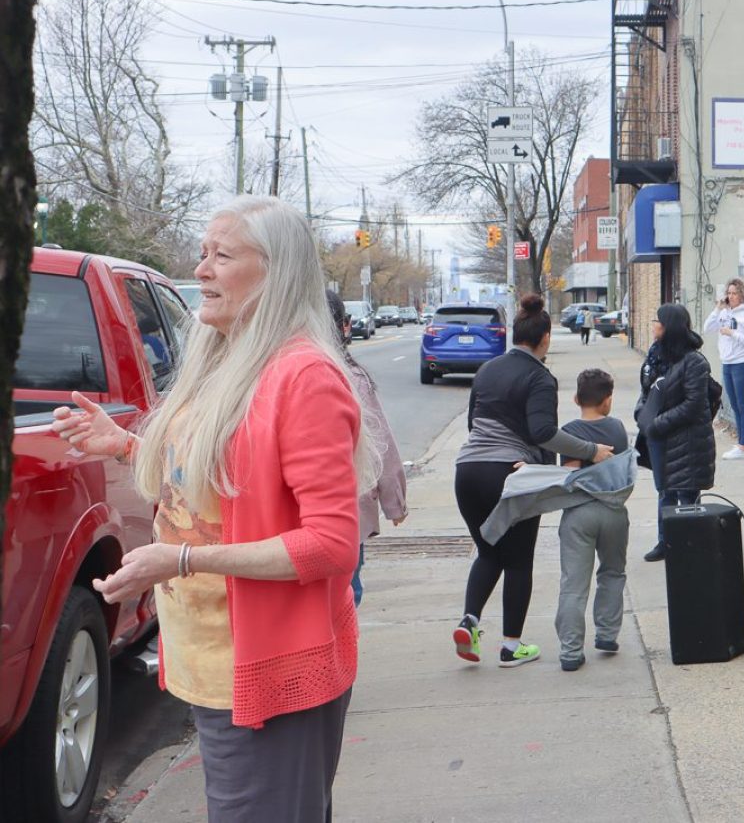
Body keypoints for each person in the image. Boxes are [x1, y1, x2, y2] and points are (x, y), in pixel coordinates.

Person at [50, 195, 380, 822]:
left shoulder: (302, 377)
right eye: (202, 253)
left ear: (275, 272)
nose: (200, 269)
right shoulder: (227, 361)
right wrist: (124, 444)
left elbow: (332, 544)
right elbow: (221, 482)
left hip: (269, 675)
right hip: (215, 666)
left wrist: (178, 560)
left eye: (222, 256)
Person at [453, 294, 615, 667]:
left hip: (467, 472)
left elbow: (472, 425)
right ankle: (511, 646)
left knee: (489, 551)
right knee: (518, 559)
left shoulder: (488, 369)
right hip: (509, 474)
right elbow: (542, 431)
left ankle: (470, 620)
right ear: (545, 339)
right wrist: (591, 451)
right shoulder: (539, 377)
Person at [326, 289, 408, 605]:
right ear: (344, 326)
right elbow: (379, 446)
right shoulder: (352, 379)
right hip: (346, 513)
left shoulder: (275, 371)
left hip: (290, 523)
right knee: (345, 596)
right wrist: (394, 503)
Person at [555, 369, 631, 671]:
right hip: (613, 511)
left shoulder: (570, 431)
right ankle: (607, 634)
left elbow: (571, 474)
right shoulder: (617, 428)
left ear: (576, 399)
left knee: (574, 583)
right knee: (613, 573)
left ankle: (571, 651)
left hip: (580, 514)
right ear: (607, 400)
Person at [638, 304, 717, 562]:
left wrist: (658, 423)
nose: (652, 326)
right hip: (661, 440)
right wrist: (641, 414)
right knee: (665, 493)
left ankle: (690, 545)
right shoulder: (656, 356)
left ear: (669, 326)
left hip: (687, 441)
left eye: (656, 321)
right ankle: (667, 543)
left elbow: (694, 405)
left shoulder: (693, 361)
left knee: (686, 494)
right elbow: (648, 393)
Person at [704, 278, 744, 459]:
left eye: (734, 293)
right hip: (727, 362)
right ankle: (740, 443)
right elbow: (707, 328)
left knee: (743, 404)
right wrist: (717, 309)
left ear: (742, 295)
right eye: (729, 293)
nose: (731, 296)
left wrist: (733, 333)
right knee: (734, 404)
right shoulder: (725, 313)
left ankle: (743, 447)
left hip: (743, 363)